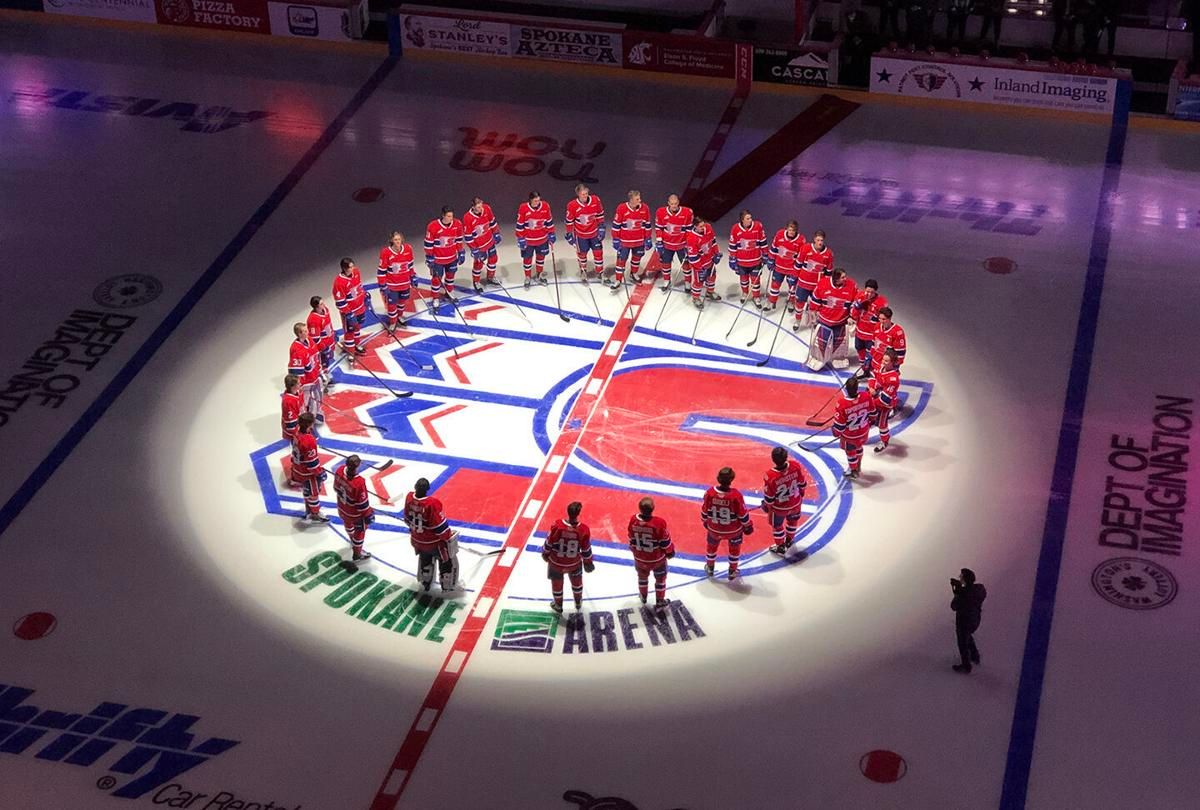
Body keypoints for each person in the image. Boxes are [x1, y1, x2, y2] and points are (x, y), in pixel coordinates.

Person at [404, 477, 460, 592]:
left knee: (425, 558)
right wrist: (448, 535)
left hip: (417, 541)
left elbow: (406, 519)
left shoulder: (409, 497)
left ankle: (426, 581)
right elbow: (440, 528)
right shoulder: (432, 503)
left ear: (415, 486)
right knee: (446, 560)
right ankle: (446, 585)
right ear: (428, 489)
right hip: (433, 543)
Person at [700, 467, 754, 579]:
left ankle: (710, 567)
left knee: (711, 547)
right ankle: (732, 570)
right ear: (732, 479)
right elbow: (743, 515)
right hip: (733, 531)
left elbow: (704, 512)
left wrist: (705, 522)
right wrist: (748, 526)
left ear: (718, 478)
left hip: (714, 529)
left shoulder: (710, 493)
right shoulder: (736, 495)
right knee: (734, 549)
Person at [542, 501, 594, 614]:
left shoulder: (557, 525)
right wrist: (588, 562)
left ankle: (558, 605)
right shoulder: (583, 529)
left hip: (556, 562)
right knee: (577, 582)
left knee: (557, 584)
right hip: (573, 563)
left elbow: (548, 542)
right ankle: (578, 602)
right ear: (579, 513)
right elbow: (586, 549)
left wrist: (545, 553)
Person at [803, 267, 859, 371]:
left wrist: (853, 316)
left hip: (841, 321)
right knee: (820, 341)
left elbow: (855, 303)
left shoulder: (852, 285)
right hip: (825, 320)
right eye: (842, 277)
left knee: (840, 342)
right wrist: (813, 311)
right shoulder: (823, 284)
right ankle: (817, 358)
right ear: (835, 279)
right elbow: (815, 298)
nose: (845, 279)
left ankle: (838, 358)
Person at [627, 496, 674, 610]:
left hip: (640, 558)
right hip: (657, 560)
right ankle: (660, 601)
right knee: (660, 579)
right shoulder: (659, 523)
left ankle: (643, 596)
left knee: (642, 577)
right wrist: (670, 551)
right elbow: (665, 542)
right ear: (653, 508)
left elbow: (631, 538)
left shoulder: (633, 520)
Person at [763, 446, 807, 555]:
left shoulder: (770, 475)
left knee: (777, 526)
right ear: (786, 457)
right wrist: (800, 495)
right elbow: (803, 484)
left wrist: (766, 505)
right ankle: (789, 540)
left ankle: (780, 546)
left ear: (773, 459)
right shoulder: (795, 466)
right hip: (795, 503)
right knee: (792, 522)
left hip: (779, 508)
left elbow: (769, 499)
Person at [833, 375, 875, 479]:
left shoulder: (842, 404)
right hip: (864, 431)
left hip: (850, 436)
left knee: (850, 452)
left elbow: (839, 427)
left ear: (846, 389)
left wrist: (835, 432)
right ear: (857, 388)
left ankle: (853, 470)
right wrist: (869, 423)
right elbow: (873, 414)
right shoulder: (866, 396)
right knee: (859, 446)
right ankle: (858, 465)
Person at [334, 454, 374, 563]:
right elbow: (363, 505)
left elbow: (335, 488)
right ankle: (357, 553)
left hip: (342, 508)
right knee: (360, 531)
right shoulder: (359, 482)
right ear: (358, 466)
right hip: (354, 514)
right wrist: (369, 514)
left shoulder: (339, 470)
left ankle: (352, 539)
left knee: (347, 523)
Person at [565, 183, 606, 285]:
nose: (585, 196)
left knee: (598, 253)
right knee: (582, 254)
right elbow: (569, 221)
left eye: (586, 193)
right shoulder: (572, 205)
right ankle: (583, 271)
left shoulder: (595, 200)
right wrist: (569, 234)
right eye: (583, 194)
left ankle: (600, 272)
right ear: (578, 194)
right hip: (581, 235)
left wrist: (601, 227)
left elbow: (600, 214)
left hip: (594, 233)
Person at [612, 190, 653, 289]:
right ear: (631, 200)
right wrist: (616, 239)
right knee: (621, 260)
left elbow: (647, 224)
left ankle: (633, 273)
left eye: (639, 198)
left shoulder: (645, 208)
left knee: (637, 258)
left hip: (639, 241)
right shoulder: (621, 208)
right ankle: (618, 279)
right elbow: (616, 225)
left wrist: (648, 238)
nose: (640, 200)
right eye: (637, 199)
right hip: (625, 242)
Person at [764, 220, 808, 313]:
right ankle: (772, 301)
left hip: (791, 269)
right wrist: (771, 259)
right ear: (786, 228)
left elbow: (801, 257)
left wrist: (798, 270)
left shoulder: (801, 240)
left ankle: (792, 302)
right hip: (779, 267)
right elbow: (774, 248)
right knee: (775, 285)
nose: (791, 232)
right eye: (790, 229)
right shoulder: (779, 234)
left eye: (793, 230)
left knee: (792, 288)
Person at [423, 206, 465, 302]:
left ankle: (449, 293)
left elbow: (458, 240)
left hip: (452, 258)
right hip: (438, 260)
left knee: (450, 276)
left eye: (452, 216)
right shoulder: (433, 226)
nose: (451, 219)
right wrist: (429, 257)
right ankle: (435, 298)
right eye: (448, 216)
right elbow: (428, 244)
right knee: (436, 279)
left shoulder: (457, 224)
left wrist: (461, 252)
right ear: (443, 216)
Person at [728, 209, 768, 308]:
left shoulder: (758, 226)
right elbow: (733, 244)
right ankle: (745, 293)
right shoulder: (735, 229)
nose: (750, 220)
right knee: (744, 279)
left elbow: (763, 241)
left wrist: (765, 254)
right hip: (742, 261)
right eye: (748, 218)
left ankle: (756, 297)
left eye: (750, 218)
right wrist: (732, 258)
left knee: (755, 281)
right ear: (742, 220)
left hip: (755, 260)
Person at [654, 193, 694, 292]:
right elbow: (659, 228)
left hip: (682, 245)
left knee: (686, 264)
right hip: (667, 244)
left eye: (676, 203)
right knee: (665, 263)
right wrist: (659, 241)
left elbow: (689, 230)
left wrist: (689, 244)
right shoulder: (661, 212)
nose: (674, 206)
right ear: (668, 203)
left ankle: (688, 283)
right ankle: (666, 281)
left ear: (678, 203)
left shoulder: (687, 212)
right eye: (672, 204)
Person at [793, 229, 834, 327]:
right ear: (814, 239)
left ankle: (814, 321)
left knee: (816, 306)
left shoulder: (828, 253)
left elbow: (828, 272)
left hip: (817, 286)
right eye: (818, 240)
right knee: (799, 303)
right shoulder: (806, 248)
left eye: (822, 240)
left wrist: (826, 285)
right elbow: (798, 264)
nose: (820, 242)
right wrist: (794, 277)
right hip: (803, 283)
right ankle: (797, 321)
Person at [294, 413, 329, 524]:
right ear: (310, 424)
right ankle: (315, 513)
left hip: (298, 469)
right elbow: (312, 463)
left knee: (307, 490)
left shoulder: (297, 432)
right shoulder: (308, 440)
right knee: (313, 493)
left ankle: (309, 510)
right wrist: (319, 472)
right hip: (308, 473)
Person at [515, 191, 555, 289]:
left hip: (542, 239)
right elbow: (519, 224)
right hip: (528, 240)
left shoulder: (545, 206)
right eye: (535, 200)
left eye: (539, 200)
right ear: (531, 200)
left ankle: (539, 275)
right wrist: (520, 238)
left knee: (541, 257)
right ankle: (527, 277)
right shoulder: (523, 208)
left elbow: (549, 221)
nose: (538, 202)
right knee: (527, 259)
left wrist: (551, 233)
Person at [951, 568, 987, 673]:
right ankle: (975, 656)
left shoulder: (964, 593)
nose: (960, 578)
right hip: (974, 619)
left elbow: (954, 606)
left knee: (962, 641)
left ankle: (966, 665)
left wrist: (957, 593)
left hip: (964, 620)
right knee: (968, 636)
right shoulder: (977, 590)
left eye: (961, 577)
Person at [463, 197, 502, 292]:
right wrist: (473, 249)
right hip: (479, 246)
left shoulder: (487, 209)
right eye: (478, 207)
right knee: (478, 264)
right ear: (473, 207)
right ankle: (476, 281)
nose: (481, 208)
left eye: (481, 206)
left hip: (489, 241)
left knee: (493, 259)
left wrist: (496, 233)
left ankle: (490, 277)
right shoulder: (467, 218)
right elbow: (468, 236)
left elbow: (492, 222)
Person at [378, 232, 414, 329]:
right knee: (392, 305)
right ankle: (393, 322)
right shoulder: (385, 252)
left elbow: (410, 265)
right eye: (395, 240)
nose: (398, 242)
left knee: (402, 302)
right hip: (392, 285)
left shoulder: (408, 249)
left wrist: (413, 276)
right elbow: (381, 271)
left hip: (405, 283)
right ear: (391, 241)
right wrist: (383, 285)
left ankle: (399, 317)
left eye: (399, 239)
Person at [332, 257, 368, 357]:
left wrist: (365, 296)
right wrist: (348, 313)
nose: (352, 268)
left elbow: (359, 286)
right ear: (344, 268)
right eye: (350, 267)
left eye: (353, 266)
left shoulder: (356, 272)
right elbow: (340, 302)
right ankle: (350, 352)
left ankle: (356, 345)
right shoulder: (339, 282)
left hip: (360, 308)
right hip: (350, 312)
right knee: (349, 331)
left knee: (358, 327)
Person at [288, 322, 323, 424]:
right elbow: (296, 371)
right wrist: (299, 385)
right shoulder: (296, 349)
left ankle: (314, 415)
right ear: (299, 334)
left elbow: (316, 357)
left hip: (315, 377)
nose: (307, 332)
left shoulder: (310, 341)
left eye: (307, 330)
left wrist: (319, 371)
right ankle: (304, 423)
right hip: (306, 382)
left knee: (317, 397)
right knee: (304, 403)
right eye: (304, 331)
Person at [685, 215, 722, 309]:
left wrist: (716, 254)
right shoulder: (691, 238)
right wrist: (699, 268)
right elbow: (693, 257)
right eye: (701, 226)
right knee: (699, 282)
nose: (703, 227)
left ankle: (710, 292)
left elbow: (713, 242)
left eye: (703, 225)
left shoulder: (708, 228)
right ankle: (696, 298)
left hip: (710, 260)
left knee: (712, 277)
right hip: (700, 264)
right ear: (695, 226)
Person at [869, 348, 902, 452]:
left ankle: (884, 441)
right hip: (874, 396)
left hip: (885, 404)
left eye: (886, 361)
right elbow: (872, 376)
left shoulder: (893, 379)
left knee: (882, 424)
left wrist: (869, 404)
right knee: (867, 417)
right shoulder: (880, 366)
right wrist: (871, 387)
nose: (883, 362)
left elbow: (885, 399)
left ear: (892, 362)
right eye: (883, 360)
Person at [850, 279, 888, 367]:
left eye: (872, 292)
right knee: (859, 347)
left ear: (876, 291)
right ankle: (863, 365)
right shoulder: (860, 296)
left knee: (870, 353)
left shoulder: (882, 302)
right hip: (860, 331)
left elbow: (885, 319)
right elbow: (853, 315)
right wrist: (856, 308)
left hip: (872, 334)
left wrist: (877, 319)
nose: (869, 294)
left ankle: (869, 368)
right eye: (867, 291)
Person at [305, 295, 336, 389]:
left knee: (327, 360)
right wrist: (323, 347)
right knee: (320, 362)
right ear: (316, 306)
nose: (324, 305)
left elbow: (328, 324)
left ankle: (325, 372)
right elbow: (315, 338)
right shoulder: (313, 320)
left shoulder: (325, 310)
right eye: (321, 304)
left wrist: (333, 334)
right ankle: (322, 377)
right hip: (321, 345)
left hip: (329, 341)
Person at [867, 306, 907, 373]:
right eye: (879, 318)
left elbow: (900, 353)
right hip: (875, 364)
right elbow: (874, 344)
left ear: (890, 318)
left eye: (884, 319)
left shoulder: (897, 332)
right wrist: (870, 355)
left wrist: (894, 366)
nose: (881, 321)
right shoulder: (877, 326)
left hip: (887, 368)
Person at [281, 374, 303, 489]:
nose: (300, 385)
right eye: (298, 384)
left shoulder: (295, 395)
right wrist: (296, 435)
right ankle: (295, 478)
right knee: (298, 455)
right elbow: (290, 423)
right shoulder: (288, 401)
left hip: (299, 430)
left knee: (299, 454)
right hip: (295, 433)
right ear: (293, 386)